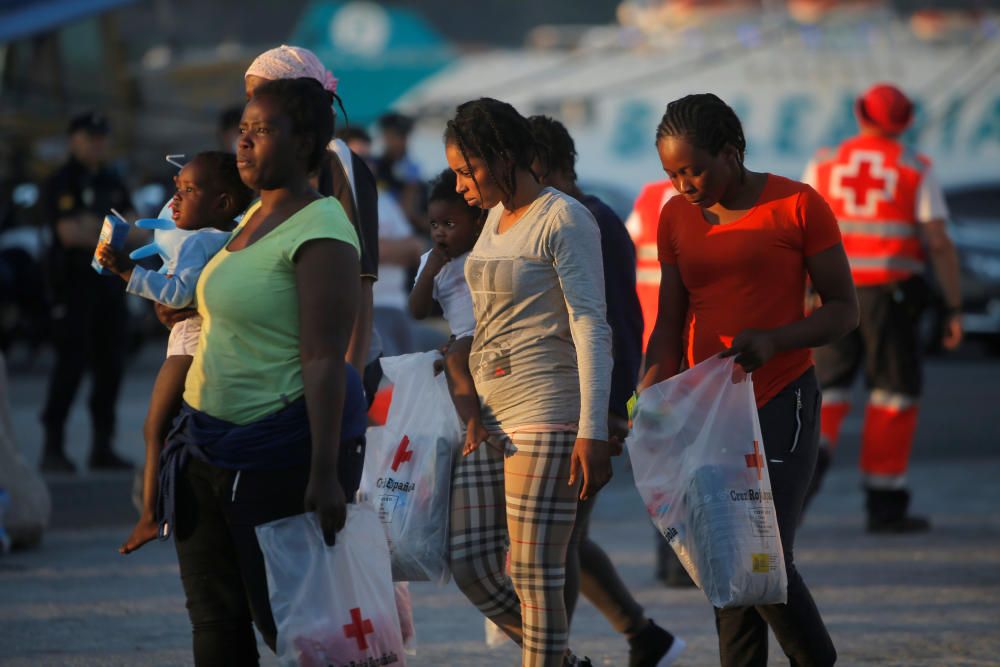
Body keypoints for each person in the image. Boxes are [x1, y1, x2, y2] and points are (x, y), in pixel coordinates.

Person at [639, 93, 858, 667]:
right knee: (723, 554)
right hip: (707, 411)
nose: (683, 185)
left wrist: (776, 339)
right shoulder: (674, 216)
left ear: (731, 152)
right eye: (670, 174)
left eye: (693, 169)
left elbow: (843, 310)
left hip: (782, 396)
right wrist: (652, 394)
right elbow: (669, 321)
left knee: (763, 552)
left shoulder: (798, 204)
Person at [156, 78, 367, 664]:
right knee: (216, 623)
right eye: (243, 131)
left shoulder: (320, 227)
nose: (243, 143)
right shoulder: (247, 220)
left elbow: (325, 354)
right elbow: (233, 319)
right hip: (203, 448)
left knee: (291, 628)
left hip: (276, 453)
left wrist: (325, 473)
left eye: (262, 130)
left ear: (304, 144)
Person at [445, 97, 613, 667]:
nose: (462, 186)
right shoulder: (494, 216)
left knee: (537, 575)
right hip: (488, 413)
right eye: (457, 173)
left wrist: (593, 429)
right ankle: (561, 661)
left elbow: (591, 323)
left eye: (469, 171)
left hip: (547, 409)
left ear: (505, 156)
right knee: (468, 560)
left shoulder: (564, 218)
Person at [529, 115, 684, 666]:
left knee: (561, 541)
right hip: (557, 406)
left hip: (587, 410)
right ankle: (644, 636)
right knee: (568, 537)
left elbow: (618, 321)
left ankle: (558, 656)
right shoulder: (564, 219)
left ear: (542, 166)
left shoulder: (591, 222)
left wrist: (615, 411)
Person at [801, 82, 963, 533]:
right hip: (890, 298)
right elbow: (938, 242)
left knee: (825, 391)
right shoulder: (915, 168)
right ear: (907, 121)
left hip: (832, 296)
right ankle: (885, 503)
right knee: (893, 395)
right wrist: (953, 307)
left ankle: (803, 479)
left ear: (860, 115)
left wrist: (803, 291)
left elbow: (800, 230)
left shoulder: (825, 163)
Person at [95, 152, 254, 554]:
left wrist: (125, 272)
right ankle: (156, 510)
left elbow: (178, 294)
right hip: (202, 341)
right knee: (168, 428)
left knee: (155, 426)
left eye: (188, 191)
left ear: (221, 203)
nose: (176, 200)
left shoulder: (199, 240)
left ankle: (149, 515)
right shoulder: (230, 235)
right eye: (176, 190)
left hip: (189, 345)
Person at [243, 44, 381, 392]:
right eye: (248, 97)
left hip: (325, 373)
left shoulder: (335, 162)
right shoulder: (266, 168)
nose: (252, 106)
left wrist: (348, 383)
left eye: (261, 94)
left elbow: (360, 277)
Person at [38, 110, 134, 472]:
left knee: (110, 367)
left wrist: (92, 226)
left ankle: (102, 446)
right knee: (70, 366)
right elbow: (68, 234)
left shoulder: (112, 179)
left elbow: (138, 227)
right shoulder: (61, 181)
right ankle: (53, 447)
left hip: (109, 286)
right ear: (73, 139)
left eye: (101, 137)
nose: (97, 144)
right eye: (89, 137)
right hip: (73, 286)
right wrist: (110, 228)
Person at [407, 169, 488, 454]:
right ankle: (472, 422)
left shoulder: (484, 250)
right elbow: (417, 310)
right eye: (434, 224)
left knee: (455, 357)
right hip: (465, 335)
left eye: (450, 223)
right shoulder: (431, 262)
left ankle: (474, 421)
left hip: (491, 329)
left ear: (477, 223)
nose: (440, 231)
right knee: (454, 359)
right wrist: (429, 273)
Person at [625, 178, 676, 350]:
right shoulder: (704, 193)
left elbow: (628, 241)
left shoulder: (652, 194)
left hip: (648, 310)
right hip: (684, 311)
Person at [375, 111, 427, 231]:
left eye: (398, 137)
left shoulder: (412, 169)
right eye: (389, 137)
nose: (393, 142)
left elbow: (408, 211)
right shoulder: (375, 165)